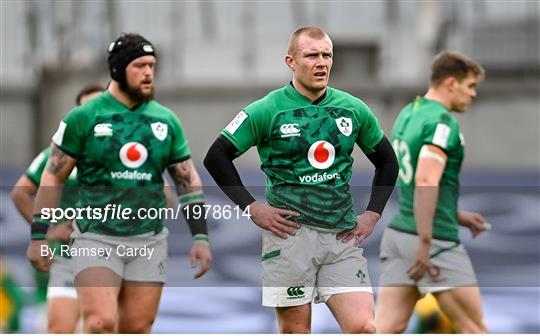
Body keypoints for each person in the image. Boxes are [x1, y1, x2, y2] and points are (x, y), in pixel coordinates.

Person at [204, 26, 398, 333]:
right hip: (290, 238)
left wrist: (373, 214)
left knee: (364, 327)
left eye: (327, 55)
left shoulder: (353, 108)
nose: (321, 63)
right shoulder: (267, 109)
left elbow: (387, 160)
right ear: (291, 61)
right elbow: (216, 157)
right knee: (296, 331)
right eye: (311, 55)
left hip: (341, 238)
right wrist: (251, 207)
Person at [26, 33, 212, 333]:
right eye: (140, 65)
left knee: (136, 327)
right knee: (101, 323)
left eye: (152, 65)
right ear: (117, 70)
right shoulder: (84, 117)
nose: (149, 73)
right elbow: (53, 175)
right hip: (95, 237)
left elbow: (187, 180)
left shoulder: (166, 120)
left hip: (148, 239)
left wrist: (200, 238)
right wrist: (38, 235)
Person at [375, 51, 488, 333]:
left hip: (399, 234)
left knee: (385, 328)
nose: (473, 94)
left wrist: (457, 214)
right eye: (470, 86)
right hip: (433, 240)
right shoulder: (441, 122)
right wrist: (425, 243)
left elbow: (414, 180)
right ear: (451, 83)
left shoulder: (409, 112)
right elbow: (426, 177)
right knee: (474, 327)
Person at [11, 84, 103, 333]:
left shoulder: (125, 158)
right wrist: (48, 230)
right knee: (59, 327)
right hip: (67, 258)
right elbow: (20, 193)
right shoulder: (57, 156)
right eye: (87, 108)